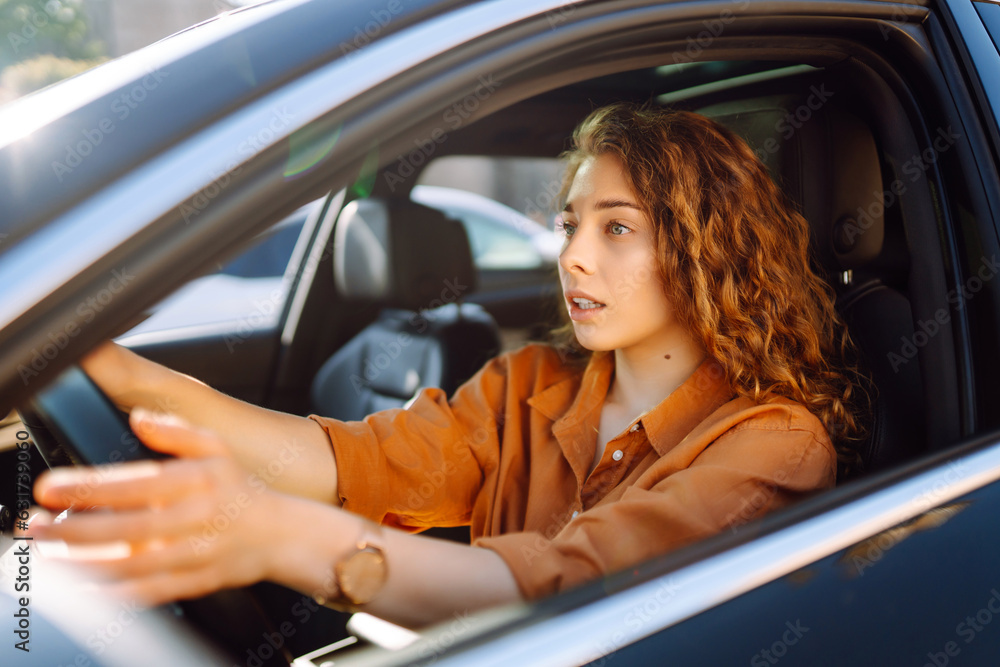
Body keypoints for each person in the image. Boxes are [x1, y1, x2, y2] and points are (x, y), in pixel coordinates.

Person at [28, 103, 867, 630]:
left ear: (701, 248)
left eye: (615, 228)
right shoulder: (530, 381)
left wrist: (274, 531)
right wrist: (136, 379)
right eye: (570, 223)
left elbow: (562, 589)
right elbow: (356, 460)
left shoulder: (774, 443)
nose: (570, 256)